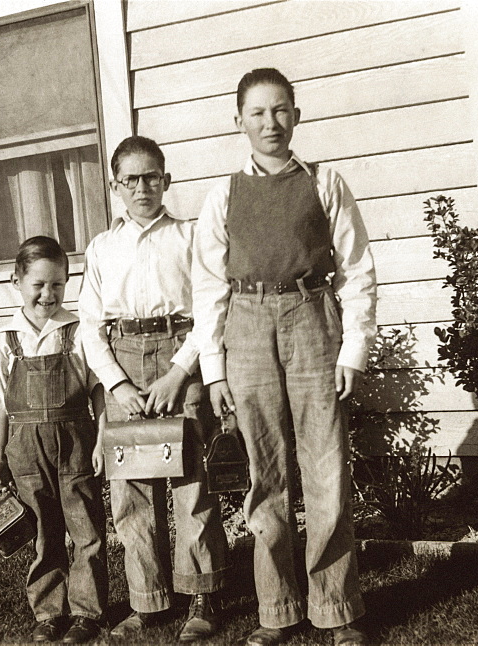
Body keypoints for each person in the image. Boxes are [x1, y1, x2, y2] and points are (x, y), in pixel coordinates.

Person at [191, 68, 377, 646]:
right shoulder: (223, 193)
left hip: (312, 318)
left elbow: (358, 270)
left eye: (280, 110)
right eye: (257, 113)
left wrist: (353, 350)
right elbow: (206, 285)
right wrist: (215, 367)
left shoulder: (326, 183)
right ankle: (277, 610)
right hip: (246, 325)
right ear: (239, 120)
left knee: (325, 466)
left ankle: (336, 609)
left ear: (296, 115)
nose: (270, 123)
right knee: (263, 472)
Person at [78, 136, 228, 643]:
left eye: (152, 177)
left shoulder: (190, 236)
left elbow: (211, 311)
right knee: (132, 490)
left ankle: (201, 595)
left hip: (178, 357)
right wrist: (117, 385)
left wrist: (180, 371)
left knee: (190, 481)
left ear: (166, 179)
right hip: (123, 361)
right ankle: (149, 601)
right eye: (131, 179)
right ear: (115, 185)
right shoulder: (102, 247)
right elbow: (90, 327)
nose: (142, 188)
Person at [0, 236, 108, 644]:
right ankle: (49, 612)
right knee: (44, 531)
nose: (48, 295)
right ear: (17, 282)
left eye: (58, 285)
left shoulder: (77, 332)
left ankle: (87, 613)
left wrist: (103, 437)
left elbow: (99, 389)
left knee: (85, 527)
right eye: (38, 285)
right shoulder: (5, 341)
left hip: (77, 440)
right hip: (25, 449)